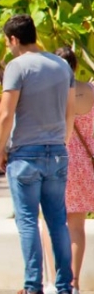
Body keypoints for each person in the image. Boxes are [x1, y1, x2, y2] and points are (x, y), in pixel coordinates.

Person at [0, 14, 75, 294]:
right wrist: (60, 144)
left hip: (25, 154)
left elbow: (5, 115)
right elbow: (70, 112)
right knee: (57, 222)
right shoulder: (62, 65)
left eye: (7, 42)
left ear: (14, 39)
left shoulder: (17, 67)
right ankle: (65, 286)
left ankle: (33, 286)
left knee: (28, 221)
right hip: (57, 153)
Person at [54, 47, 94, 294]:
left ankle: (56, 283)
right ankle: (74, 284)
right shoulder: (91, 91)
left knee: (53, 224)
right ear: (76, 66)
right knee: (77, 227)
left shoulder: (52, 95)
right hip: (85, 167)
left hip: (58, 162)